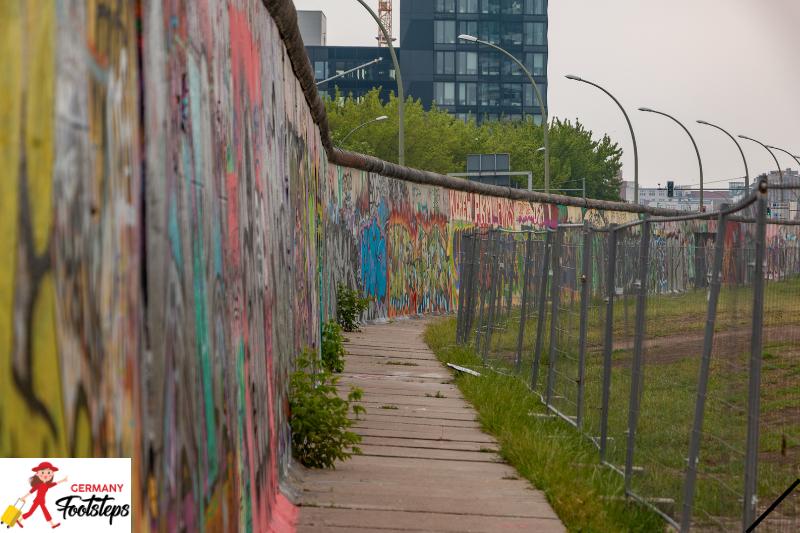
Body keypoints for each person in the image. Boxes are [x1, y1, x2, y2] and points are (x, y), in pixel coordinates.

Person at [15, 461, 67, 529]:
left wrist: (63, 480)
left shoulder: (47, 485)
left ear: (52, 474)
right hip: (37, 501)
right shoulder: (38, 485)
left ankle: (52, 524)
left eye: (49, 473)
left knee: (42, 512)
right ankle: (19, 520)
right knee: (31, 512)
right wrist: (24, 497)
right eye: (42, 472)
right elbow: (31, 491)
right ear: (37, 474)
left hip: (41, 501)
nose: (46, 475)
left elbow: (56, 483)